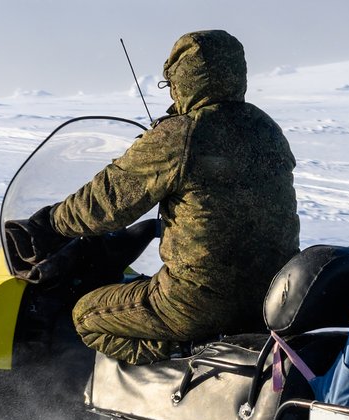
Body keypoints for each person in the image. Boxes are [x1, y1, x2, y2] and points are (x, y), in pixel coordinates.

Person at [16, 29, 300, 364]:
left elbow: (107, 201)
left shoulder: (181, 134)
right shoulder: (266, 129)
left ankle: (184, 356)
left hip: (197, 301)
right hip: (271, 298)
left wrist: (50, 223)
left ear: (182, 80)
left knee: (86, 316)